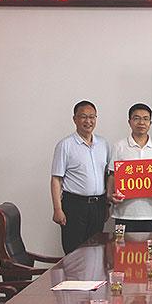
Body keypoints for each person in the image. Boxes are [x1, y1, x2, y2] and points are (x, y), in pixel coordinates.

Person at [50, 100, 110, 254]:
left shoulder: (103, 144)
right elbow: (56, 179)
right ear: (74, 119)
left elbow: (107, 175)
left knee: (96, 251)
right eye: (83, 117)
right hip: (75, 206)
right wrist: (57, 209)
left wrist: (107, 205)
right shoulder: (65, 145)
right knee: (74, 252)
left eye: (92, 117)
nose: (88, 121)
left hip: (98, 205)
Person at [106, 103, 152, 232]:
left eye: (145, 119)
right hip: (124, 213)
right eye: (136, 118)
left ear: (150, 123)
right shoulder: (119, 146)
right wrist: (110, 195)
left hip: (151, 213)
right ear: (129, 122)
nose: (141, 122)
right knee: (122, 246)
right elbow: (112, 175)